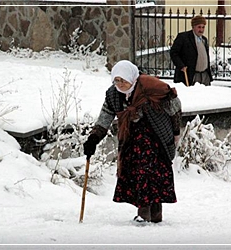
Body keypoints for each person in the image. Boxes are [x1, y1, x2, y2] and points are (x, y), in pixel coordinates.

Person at [83, 60, 182, 223]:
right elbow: (105, 117)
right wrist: (93, 139)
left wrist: (175, 131)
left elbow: (174, 105)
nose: (120, 84)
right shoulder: (113, 95)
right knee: (138, 173)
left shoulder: (149, 86)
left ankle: (151, 214)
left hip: (155, 137)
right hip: (131, 140)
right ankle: (147, 213)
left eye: (123, 80)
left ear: (132, 77)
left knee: (151, 172)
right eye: (117, 80)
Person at [170, 15, 213, 86]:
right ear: (193, 27)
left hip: (204, 75)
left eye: (203, 27)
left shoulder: (204, 39)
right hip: (190, 75)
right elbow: (174, 53)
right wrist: (181, 65)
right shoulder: (183, 37)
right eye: (199, 27)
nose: (201, 30)